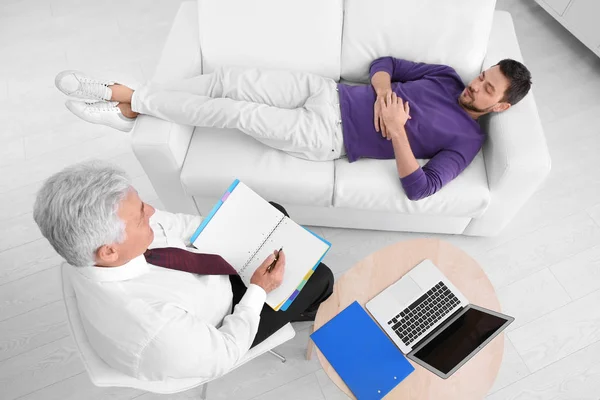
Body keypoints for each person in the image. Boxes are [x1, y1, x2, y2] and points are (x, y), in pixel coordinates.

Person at [55, 57, 532, 200]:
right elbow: (383, 63)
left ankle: (123, 95)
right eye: (482, 77)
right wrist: (384, 90)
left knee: (235, 112)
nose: (474, 86)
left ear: (502, 107)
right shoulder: (446, 76)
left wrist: (396, 129)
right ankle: (133, 113)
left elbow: (419, 188)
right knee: (228, 78)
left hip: (328, 136)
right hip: (325, 90)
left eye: (487, 90)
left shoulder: (466, 142)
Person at [33, 160, 333, 381]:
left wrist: (222, 233)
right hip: (222, 325)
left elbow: (175, 224)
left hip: (203, 278)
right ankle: (307, 309)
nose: (150, 212)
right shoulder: (154, 329)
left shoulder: (112, 241)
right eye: (141, 217)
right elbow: (225, 352)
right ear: (109, 251)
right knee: (320, 278)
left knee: (273, 213)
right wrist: (257, 291)